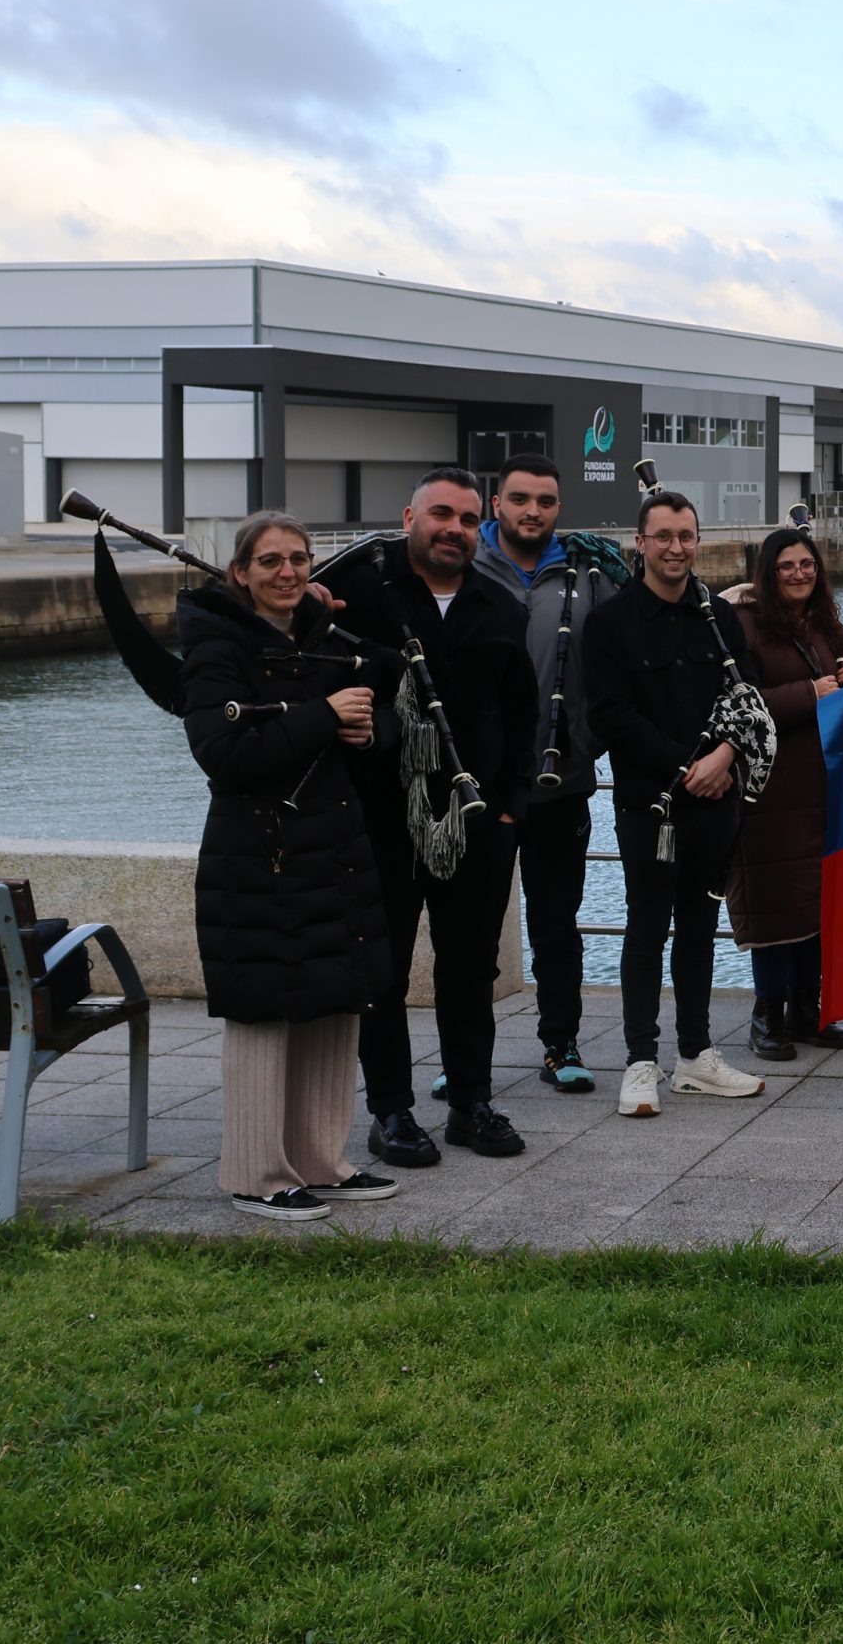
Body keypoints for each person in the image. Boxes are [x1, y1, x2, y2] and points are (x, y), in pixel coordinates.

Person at [316, 467, 538, 1167]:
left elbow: (523, 715)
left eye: (470, 520)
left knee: (469, 969)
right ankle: (392, 1112)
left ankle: (471, 1103)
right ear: (408, 517)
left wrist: (509, 811)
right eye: (441, 514)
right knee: (380, 972)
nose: (455, 529)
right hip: (381, 821)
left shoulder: (502, 607)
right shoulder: (356, 598)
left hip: (476, 823)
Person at [182, 513, 399, 1221]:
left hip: (330, 850)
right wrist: (325, 714)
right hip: (258, 855)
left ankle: (319, 1161)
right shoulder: (216, 643)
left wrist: (365, 731)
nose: (288, 572)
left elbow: (356, 722)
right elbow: (223, 751)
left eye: (299, 559)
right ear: (239, 573)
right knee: (265, 1013)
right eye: (270, 560)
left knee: (333, 1003)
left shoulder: (322, 637)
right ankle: (256, 1173)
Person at [582, 489, 769, 1117]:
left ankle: (694, 1057)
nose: (675, 548)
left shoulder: (718, 616)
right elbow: (610, 715)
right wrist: (686, 765)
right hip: (649, 805)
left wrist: (723, 758)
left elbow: (745, 700)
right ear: (640, 543)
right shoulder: (610, 623)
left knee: (697, 929)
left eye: (685, 536)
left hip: (716, 798)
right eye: (662, 536)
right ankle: (640, 1063)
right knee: (644, 929)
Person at [471, 453, 624, 1096]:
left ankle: (561, 1044)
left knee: (557, 925)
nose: (532, 511)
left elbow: (638, 637)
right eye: (520, 499)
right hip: (473, 789)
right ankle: (463, 1055)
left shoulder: (589, 572)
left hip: (561, 785)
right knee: (471, 930)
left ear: (559, 507)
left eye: (545, 501)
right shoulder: (461, 568)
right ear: (497, 503)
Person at [728, 525, 843, 1063]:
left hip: (824, 785)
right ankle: (766, 1015)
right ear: (768, 572)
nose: (799, 573)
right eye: (787, 565)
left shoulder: (827, 626)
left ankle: (807, 1011)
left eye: (807, 564)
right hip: (768, 789)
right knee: (773, 902)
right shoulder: (743, 627)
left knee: (817, 902)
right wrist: (809, 693)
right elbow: (739, 702)